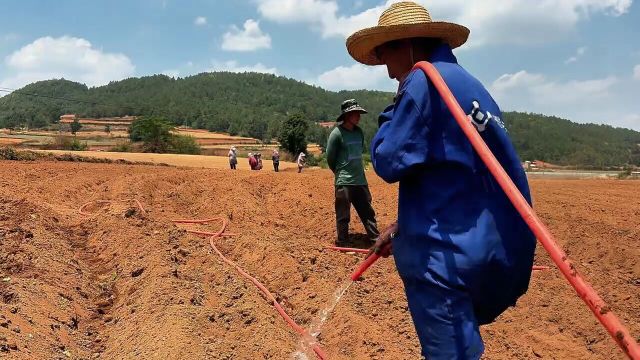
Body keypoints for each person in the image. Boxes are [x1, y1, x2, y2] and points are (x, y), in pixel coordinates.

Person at [346, 2, 536, 359]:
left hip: (444, 257)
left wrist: (393, 109)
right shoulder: (470, 84)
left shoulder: (422, 79)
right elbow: (460, 169)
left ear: (405, 44)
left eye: (385, 56)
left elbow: (387, 160)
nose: (388, 72)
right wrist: (405, 224)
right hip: (489, 244)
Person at [326, 99, 380, 246]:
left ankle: (375, 239)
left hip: (360, 179)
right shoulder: (336, 134)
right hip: (344, 181)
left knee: (367, 212)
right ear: (347, 115)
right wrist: (340, 173)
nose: (358, 117)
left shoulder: (359, 132)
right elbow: (330, 158)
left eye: (359, 113)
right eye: (355, 113)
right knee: (343, 214)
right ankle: (343, 241)